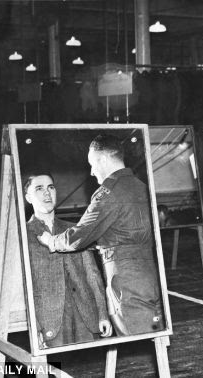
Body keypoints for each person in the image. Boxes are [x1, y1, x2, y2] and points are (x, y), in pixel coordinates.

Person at [37, 134, 164, 336]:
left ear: (103, 159)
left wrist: (51, 240)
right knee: (155, 334)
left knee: (134, 335)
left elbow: (79, 236)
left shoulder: (108, 192)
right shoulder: (141, 187)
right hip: (151, 272)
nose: (92, 171)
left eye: (92, 163)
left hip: (125, 276)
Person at [24, 173, 112, 348]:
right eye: (39, 189)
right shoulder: (23, 234)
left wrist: (103, 314)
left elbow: (92, 274)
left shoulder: (74, 230)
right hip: (49, 321)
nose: (47, 193)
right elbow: (24, 287)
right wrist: (35, 327)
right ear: (28, 197)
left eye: (51, 187)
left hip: (86, 317)